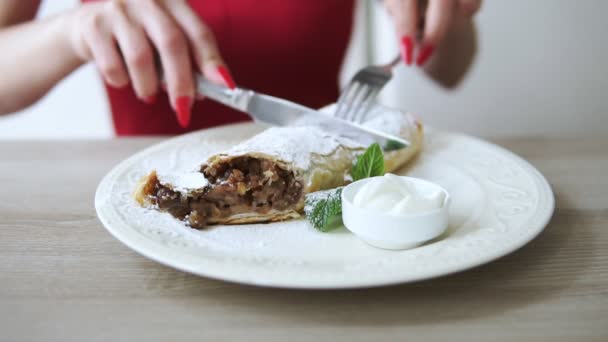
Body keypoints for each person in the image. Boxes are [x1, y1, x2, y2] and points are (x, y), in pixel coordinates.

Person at [0, 0, 481, 135]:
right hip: (145, 212)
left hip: (322, 206)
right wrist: (72, 31)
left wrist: (439, 23)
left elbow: (452, 70)